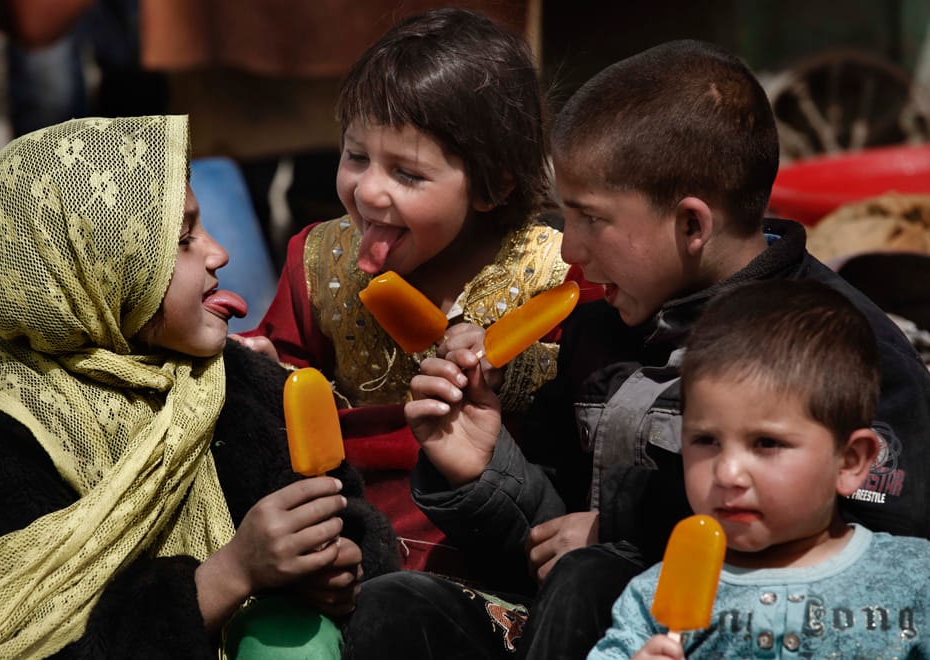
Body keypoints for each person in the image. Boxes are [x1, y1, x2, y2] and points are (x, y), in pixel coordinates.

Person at [341, 39, 930, 660]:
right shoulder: (599, 334)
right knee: (396, 605)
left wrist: (632, 533)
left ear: (692, 226)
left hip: (731, 637)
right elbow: (545, 540)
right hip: (569, 629)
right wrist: (484, 465)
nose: (569, 250)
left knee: (589, 575)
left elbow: (873, 562)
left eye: (590, 218)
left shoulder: (848, 349)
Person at [0, 115, 398, 659]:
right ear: (99, 271)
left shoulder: (245, 386)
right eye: (184, 240)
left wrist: (339, 567)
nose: (218, 253)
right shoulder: (3, 448)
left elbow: (355, 520)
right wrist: (227, 577)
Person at [239, 7, 573, 579]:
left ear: (495, 186)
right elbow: (290, 391)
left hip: (486, 547)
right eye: (356, 156)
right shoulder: (318, 261)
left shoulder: (553, 276)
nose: (368, 190)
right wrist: (264, 373)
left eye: (408, 174)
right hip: (343, 538)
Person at [590, 279, 930, 658]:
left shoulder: (914, 580)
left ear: (850, 461)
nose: (728, 473)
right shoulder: (652, 601)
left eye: (767, 443)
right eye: (706, 441)